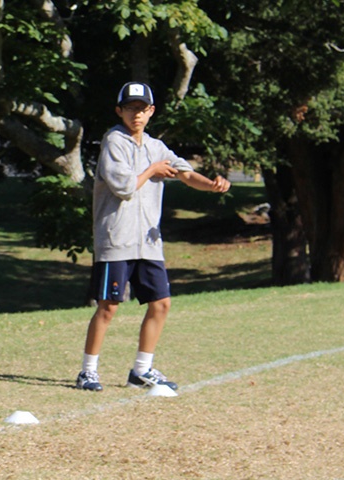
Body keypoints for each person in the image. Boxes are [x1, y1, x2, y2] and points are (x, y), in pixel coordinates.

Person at [74, 81, 231, 393]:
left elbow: (185, 173)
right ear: (119, 111)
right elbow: (124, 187)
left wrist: (210, 184)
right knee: (108, 307)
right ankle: (87, 372)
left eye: (142, 109)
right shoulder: (113, 142)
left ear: (151, 112)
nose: (137, 114)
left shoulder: (156, 147)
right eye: (131, 108)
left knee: (161, 304)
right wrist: (152, 170)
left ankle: (141, 370)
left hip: (148, 242)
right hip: (116, 239)